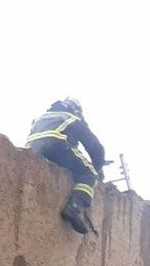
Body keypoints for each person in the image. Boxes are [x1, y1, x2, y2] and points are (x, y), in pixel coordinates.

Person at [26, 97, 106, 234]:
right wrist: (98, 168)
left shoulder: (42, 117)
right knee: (88, 173)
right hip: (56, 144)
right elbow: (96, 148)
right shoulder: (72, 118)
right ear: (76, 110)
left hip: (33, 150)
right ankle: (74, 207)